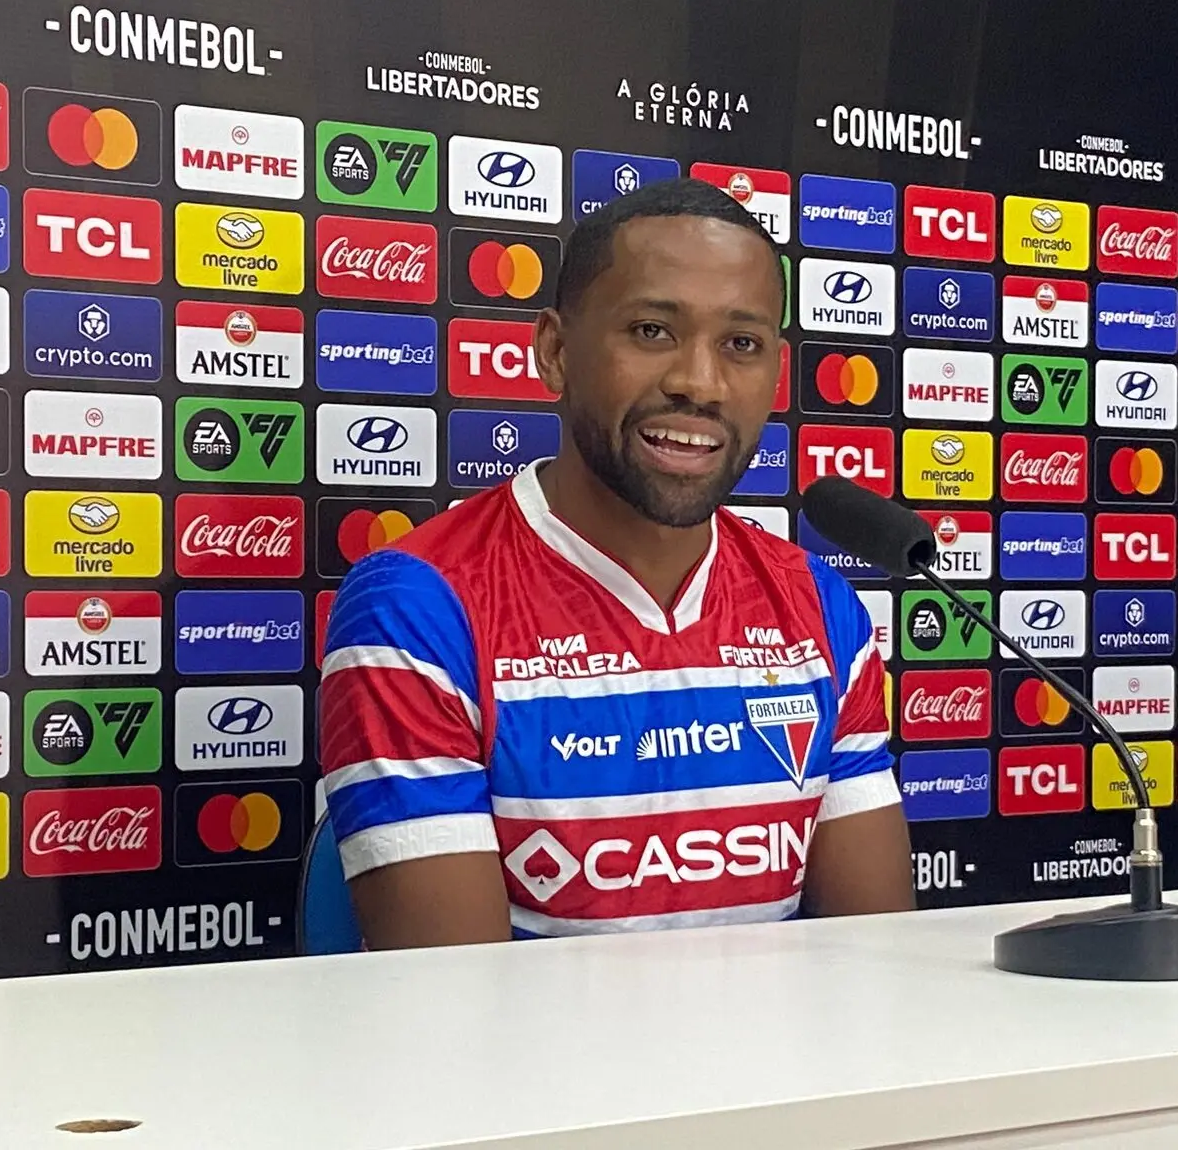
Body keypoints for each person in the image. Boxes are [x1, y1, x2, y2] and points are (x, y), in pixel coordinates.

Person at [317, 178, 912, 948]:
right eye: (652, 331)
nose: (698, 382)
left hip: (787, 1068)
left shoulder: (819, 608)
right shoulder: (417, 609)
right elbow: (452, 1017)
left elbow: (875, 965)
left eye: (741, 344)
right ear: (556, 353)